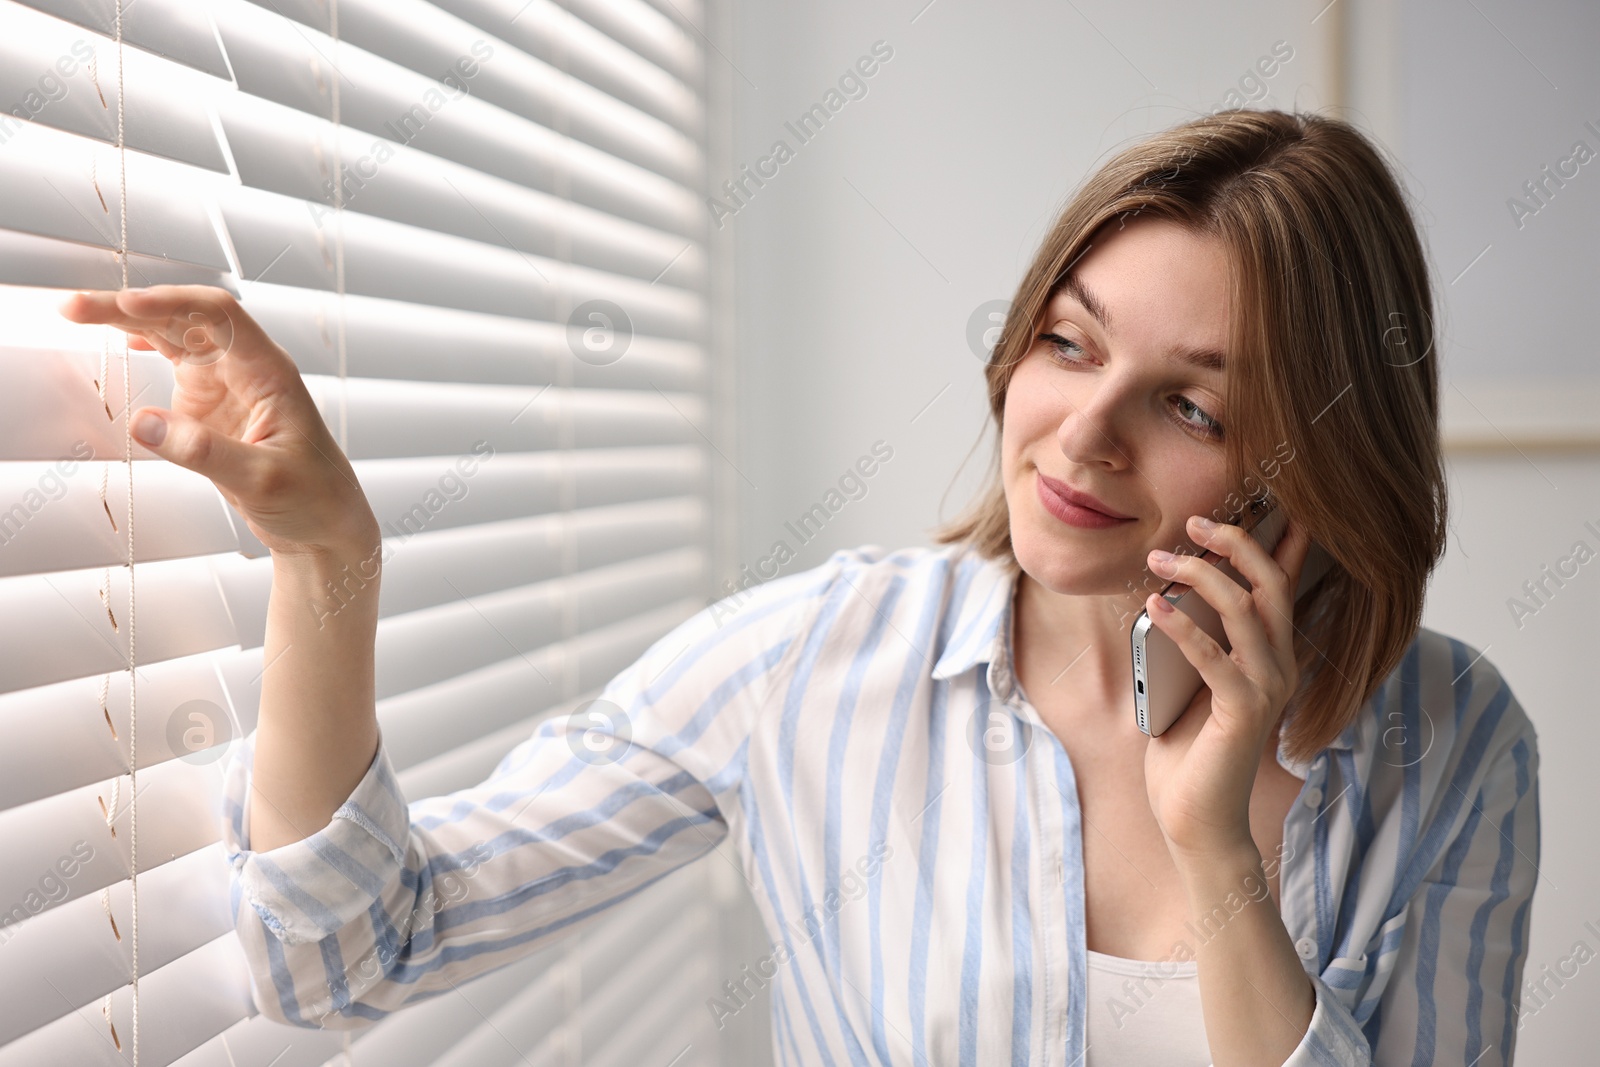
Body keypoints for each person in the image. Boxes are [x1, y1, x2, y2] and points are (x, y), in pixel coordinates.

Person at [61, 108, 1540, 1066]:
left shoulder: (1450, 742)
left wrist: (1216, 848)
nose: (1082, 434)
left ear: (1307, 467)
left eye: (1193, 408)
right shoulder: (810, 661)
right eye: (1071, 345)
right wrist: (331, 561)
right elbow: (339, 964)